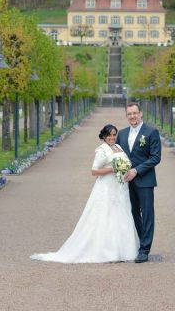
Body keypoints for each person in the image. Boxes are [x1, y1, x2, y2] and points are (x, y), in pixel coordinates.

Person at [30, 124, 139, 263]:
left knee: (121, 216)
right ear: (104, 137)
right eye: (109, 135)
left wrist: (124, 168)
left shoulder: (119, 147)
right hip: (106, 188)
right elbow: (94, 171)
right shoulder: (102, 150)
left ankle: (123, 249)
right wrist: (113, 169)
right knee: (105, 216)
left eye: (114, 135)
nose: (112, 137)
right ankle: (106, 250)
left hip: (120, 188)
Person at [116, 102, 161, 263]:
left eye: (135, 113)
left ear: (140, 113)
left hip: (145, 180)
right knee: (133, 213)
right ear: (126, 116)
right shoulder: (121, 134)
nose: (132, 116)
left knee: (147, 214)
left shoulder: (151, 132)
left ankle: (145, 249)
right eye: (129, 114)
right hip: (127, 182)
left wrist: (137, 170)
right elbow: (117, 156)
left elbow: (156, 157)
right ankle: (140, 242)